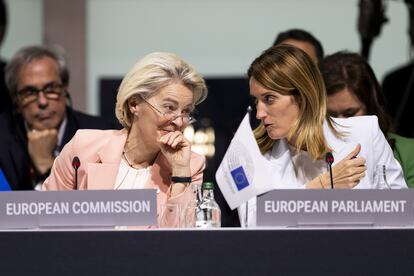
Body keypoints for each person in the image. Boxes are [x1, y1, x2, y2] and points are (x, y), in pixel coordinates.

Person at [240, 45, 406, 227]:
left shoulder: (366, 132)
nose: (259, 113)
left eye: (269, 99)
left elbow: (401, 216)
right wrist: (321, 186)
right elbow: (252, 224)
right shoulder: (250, 155)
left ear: (303, 96)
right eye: (256, 101)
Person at [43, 52, 208, 226]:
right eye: (169, 107)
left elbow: (181, 243)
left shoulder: (190, 165)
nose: (178, 121)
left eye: (186, 112)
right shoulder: (83, 148)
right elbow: (47, 219)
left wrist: (180, 174)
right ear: (134, 104)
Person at [0, 45, 115, 190]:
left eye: (50, 89)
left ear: (65, 88)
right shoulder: (3, 138)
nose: (42, 101)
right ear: (15, 98)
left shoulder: (102, 134)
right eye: (30, 92)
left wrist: (47, 165)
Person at [320, 51, 414, 187]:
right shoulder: (301, 155)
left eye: (350, 113)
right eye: (331, 115)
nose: (340, 124)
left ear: (372, 106)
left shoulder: (409, 153)